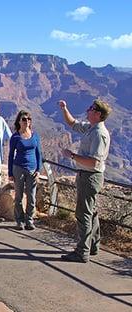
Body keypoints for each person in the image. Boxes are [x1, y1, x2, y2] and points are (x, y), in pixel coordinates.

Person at [59, 99, 111, 263]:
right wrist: (64, 108)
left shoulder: (99, 134)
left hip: (90, 177)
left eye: (91, 108)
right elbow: (73, 123)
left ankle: (82, 252)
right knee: (91, 212)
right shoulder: (91, 128)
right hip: (87, 176)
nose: (87, 110)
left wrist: (72, 156)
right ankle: (93, 245)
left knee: (83, 214)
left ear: (98, 114)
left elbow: (94, 162)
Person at [8, 110, 42, 231]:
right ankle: (19, 220)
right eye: (24, 119)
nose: (26, 121)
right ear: (19, 121)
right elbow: (11, 155)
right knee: (18, 196)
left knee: (31, 196)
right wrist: (10, 173)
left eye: (28, 119)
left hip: (32, 169)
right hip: (18, 168)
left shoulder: (35, 135)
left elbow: (39, 153)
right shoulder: (15, 137)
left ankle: (29, 220)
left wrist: (39, 169)